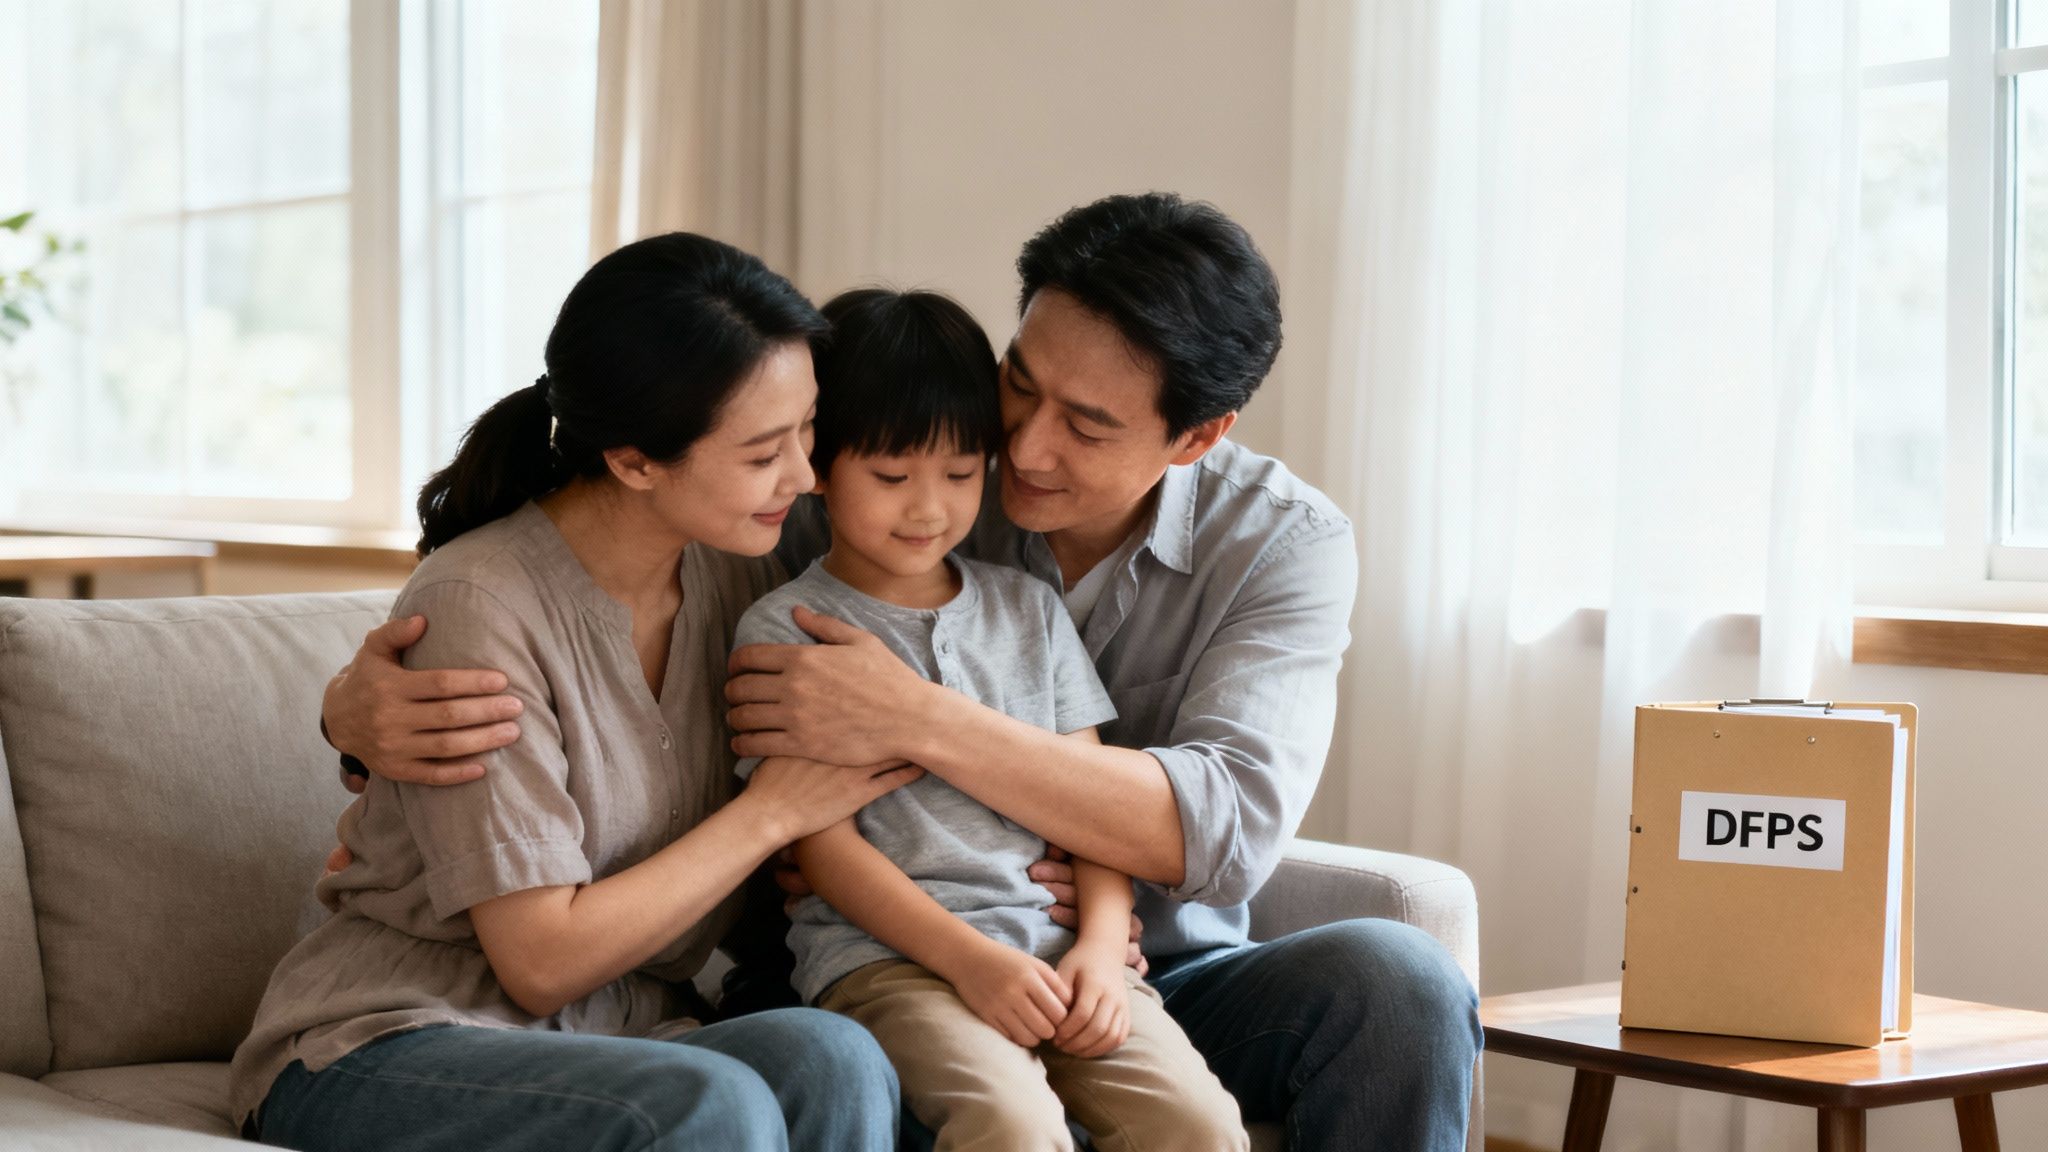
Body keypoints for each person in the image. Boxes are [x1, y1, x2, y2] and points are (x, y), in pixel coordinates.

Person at [322, 193, 1483, 1150]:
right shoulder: (862, 499)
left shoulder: (1279, 543)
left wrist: (918, 721)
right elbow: (590, 551)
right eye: (1019, 383)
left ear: (1195, 438)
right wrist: (349, 714)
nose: (1021, 450)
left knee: (1401, 982)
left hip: (1136, 965)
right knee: (846, 1071)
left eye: (1084, 426)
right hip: (888, 959)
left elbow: (1221, 828)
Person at [230, 232, 907, 1152]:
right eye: (762, 452)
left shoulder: (741, 569)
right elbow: (541, 961)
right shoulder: (480, 603)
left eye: (808, 429)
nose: (803, 473)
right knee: (711, 1103)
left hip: (630, 1034)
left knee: (836, 1056)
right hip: (394, 1038)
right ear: (632, 461)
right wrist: (772, 815)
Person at [737, 287, 1245, 1149]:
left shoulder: (1027, 608)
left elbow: (1093, 806)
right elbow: (819, 850)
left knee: (1204, 1128)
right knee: (1012, 1125)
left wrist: (1098, 944)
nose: (929, 508)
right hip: (892, 966)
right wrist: (970, 960)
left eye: (963, 474)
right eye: (892, 478)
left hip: (1062, 956)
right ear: (821, 464)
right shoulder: (786, 629)